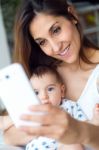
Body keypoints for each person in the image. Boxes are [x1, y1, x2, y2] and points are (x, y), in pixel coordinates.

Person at [3, 0, 99, 149]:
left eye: (56, 30)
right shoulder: (44, 74)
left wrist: (78, 131)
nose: (55, 48)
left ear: (72, 15)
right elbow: (9, 137)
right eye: (42, 42)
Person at [26, 65, 86, 150]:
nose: (44, 96)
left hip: (63, 145)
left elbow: (84, 126)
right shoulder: (32, 112)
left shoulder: (69, 106)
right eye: (36, 93)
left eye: (50, 89)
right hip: (38, 147)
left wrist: (95, 117)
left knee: (74, 146)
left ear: (62, 91)